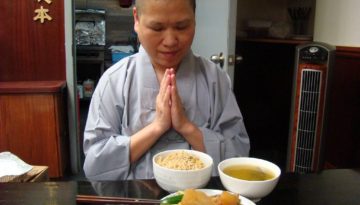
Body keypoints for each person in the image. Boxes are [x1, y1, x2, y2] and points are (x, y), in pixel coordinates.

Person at [83, 0, 250, 180]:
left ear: (194, 19)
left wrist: (187, 127)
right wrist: (156, 128)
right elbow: (95, 164)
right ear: (136, 19)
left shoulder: (215, 79)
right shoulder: (114, 81)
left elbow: (238, 157)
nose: (170, 41)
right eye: (157, 28)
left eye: (182, 26)